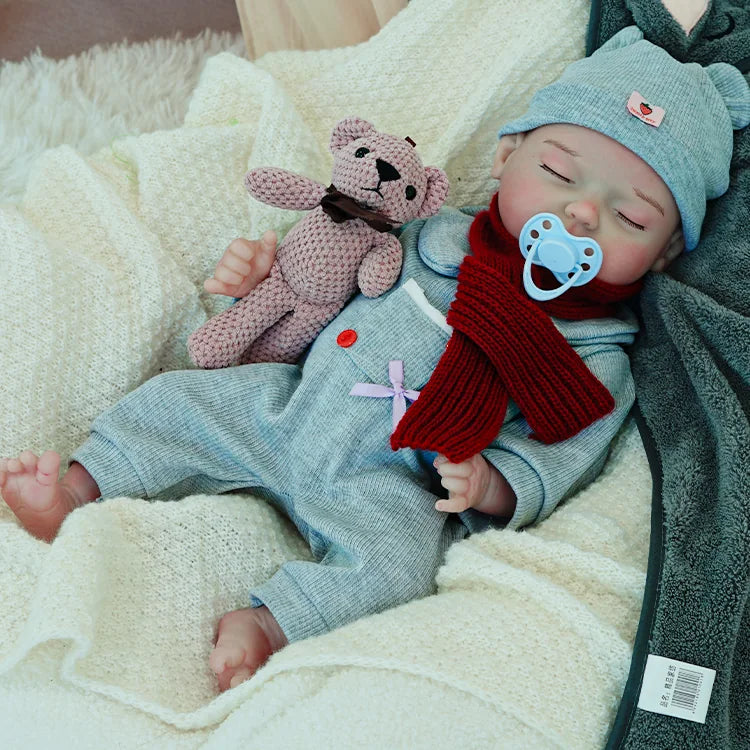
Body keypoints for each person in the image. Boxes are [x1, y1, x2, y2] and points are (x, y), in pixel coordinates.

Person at [2, 27, 749, 692]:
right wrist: (261, 277)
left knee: (395, 571)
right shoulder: (431, 232)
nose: (582, 213)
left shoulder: (595, 356)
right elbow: (323, 276)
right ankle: (77, 485)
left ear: (662, 256)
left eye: (631, 216)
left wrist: (490, 483)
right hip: (287, 405)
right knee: (176, 402)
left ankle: (272, 623)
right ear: (506, 154)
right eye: (559, 173)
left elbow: (561, 453)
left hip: (388, 483)